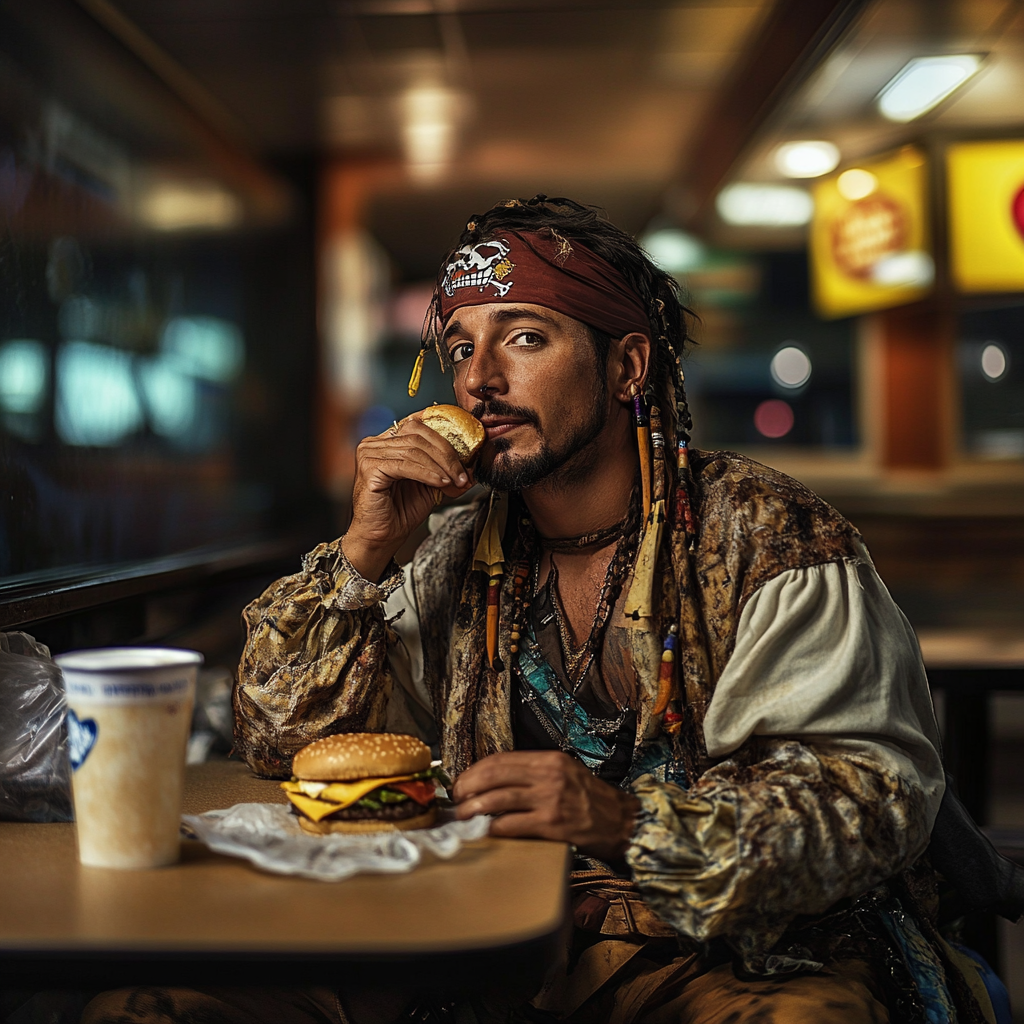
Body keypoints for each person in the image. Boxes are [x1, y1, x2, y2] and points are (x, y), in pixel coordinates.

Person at [83, 197, 993, 1024]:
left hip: (723, 951)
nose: (478, 380)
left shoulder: (772, 541)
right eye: (460, 349)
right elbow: (284, 744)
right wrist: (363, 556)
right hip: (471, 934)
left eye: (524, 338)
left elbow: (863, 800)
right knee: (150, 1006)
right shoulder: (444, 548)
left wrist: (623, 822)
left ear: (627, 365)